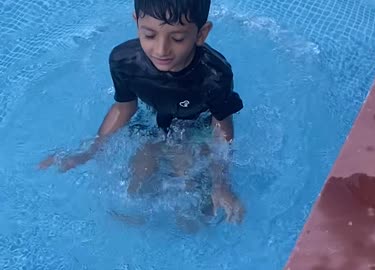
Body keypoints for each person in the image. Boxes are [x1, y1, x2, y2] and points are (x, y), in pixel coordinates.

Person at [39, 0, 245, 224]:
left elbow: (221, 127)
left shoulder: (214, 75)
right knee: (134, 193)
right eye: (149, 35)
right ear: (136, 23)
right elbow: (124, 108)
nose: (161, 50)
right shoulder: (125, 62)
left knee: (192, 211)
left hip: (197, 128)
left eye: (177, 38)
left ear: (201, 34)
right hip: (151, 123)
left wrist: (222, 183)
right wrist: (89, 152)